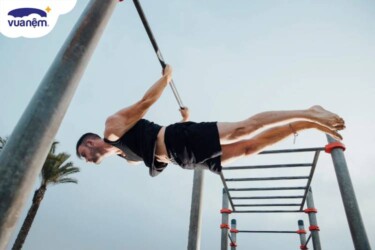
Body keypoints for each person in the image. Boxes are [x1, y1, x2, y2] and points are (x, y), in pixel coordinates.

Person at [76, 65, 345, 177]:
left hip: (179, 140)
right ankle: (304, 125)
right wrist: (186, 119)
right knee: (249, 148)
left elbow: (145, 104)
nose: (85, 158)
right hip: (185, 158)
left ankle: (309, 111)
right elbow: (155, 143)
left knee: (244, 128)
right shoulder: (129, 157)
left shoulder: (112, 128)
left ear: (90, 141)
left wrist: (165, 79)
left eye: (83, 153)